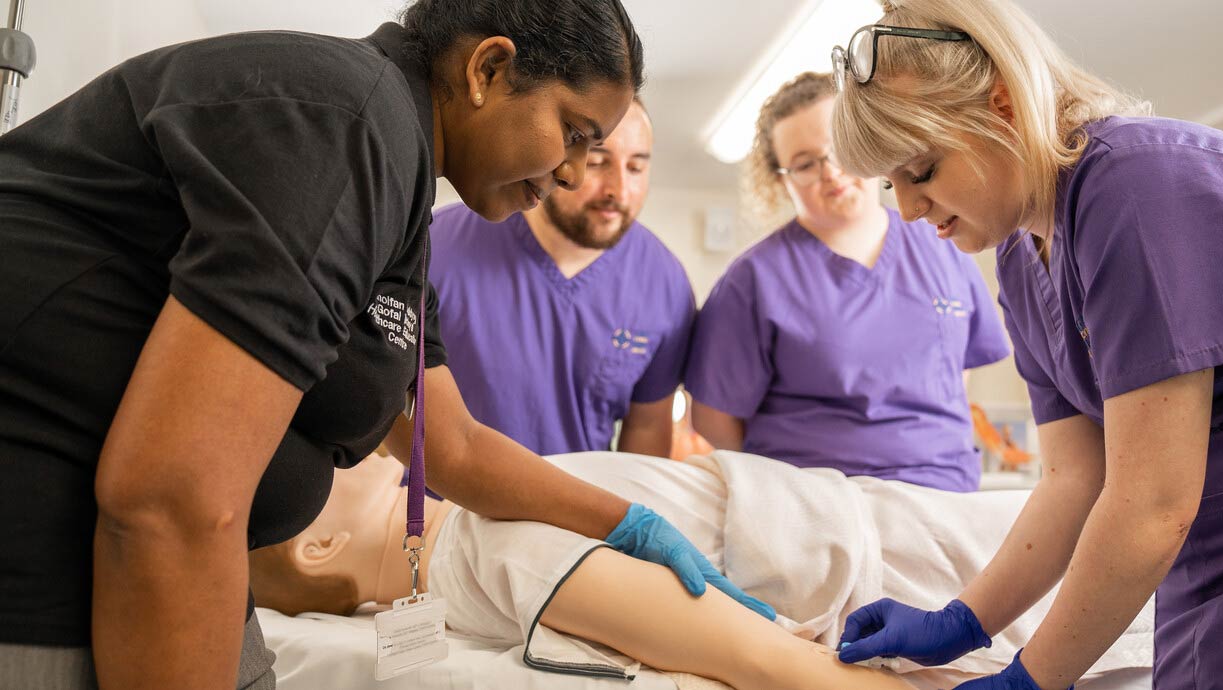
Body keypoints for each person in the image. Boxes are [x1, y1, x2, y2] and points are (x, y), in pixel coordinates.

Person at [0, 1, 766, 688]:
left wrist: (628, 522)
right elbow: (171, 498)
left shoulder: (396, 208)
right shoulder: (347, 125)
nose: (570, 174)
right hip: (51, 563)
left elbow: (453, 445)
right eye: (572, 134)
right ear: (487, 70)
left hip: (167, 569)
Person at [826, 0, 1223, 688]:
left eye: (922, 171)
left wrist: (1032, 677)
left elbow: (1151, 503)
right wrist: (963, 622)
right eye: (890, 183)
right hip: (1217, 552)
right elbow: (1075, 479)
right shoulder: (1023, 262)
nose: (906, 210)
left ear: (1001, 105)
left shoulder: (1142, 185)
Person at [250, 452, 1155, 690]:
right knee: (1162, 553)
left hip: (861, 517)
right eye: (316, 471)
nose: (340, 449)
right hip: (882, 548)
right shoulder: (489, 548)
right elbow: (763, 663)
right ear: (315, 547)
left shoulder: (473, 526)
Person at [684, 72, 1011, 492]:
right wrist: (786, 483)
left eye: (838, 150)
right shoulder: (753, 280)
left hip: (943, 495)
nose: (830, 173)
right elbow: (713, 417)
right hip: (817, 502)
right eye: (804, 164)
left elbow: (956, 373)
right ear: (781, 180)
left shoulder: (944, 240)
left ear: (868, 143)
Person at [429, 99, 693, 457]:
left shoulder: (664, 284)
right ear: (552, 158)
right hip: (441, 507)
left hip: (576, 506)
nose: (619, 190)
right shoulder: (439, 246)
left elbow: (647, 428)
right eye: (598, 162)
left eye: (635, 168)